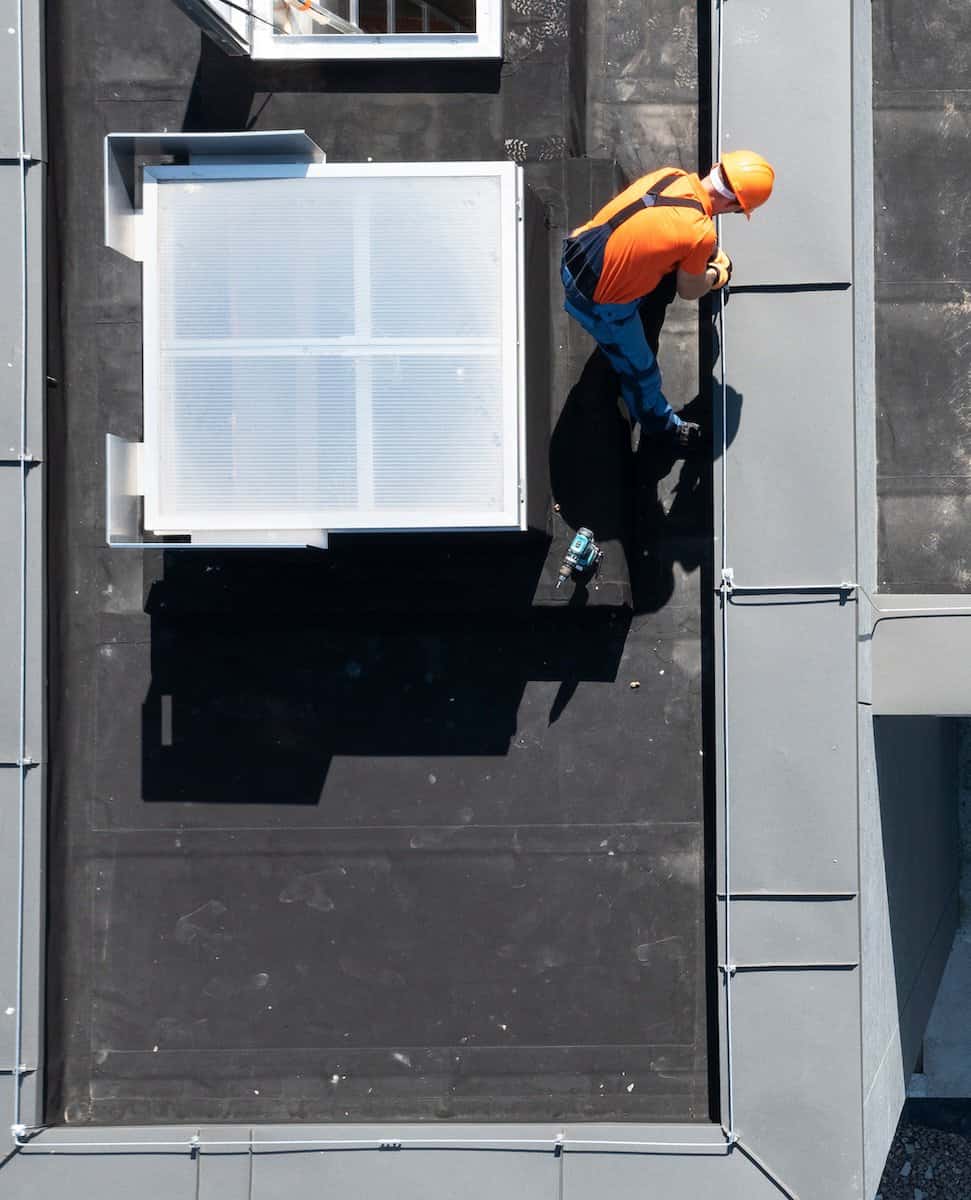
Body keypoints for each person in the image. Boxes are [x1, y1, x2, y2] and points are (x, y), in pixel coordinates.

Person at [561, 150, 775, 449]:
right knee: (641, 372)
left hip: (577, 253)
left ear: (716, 167)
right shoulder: (700, 234)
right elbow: (690, 290)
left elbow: (653, 228)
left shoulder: (670, 176)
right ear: (734, 205)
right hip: (597, 301)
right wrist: (715, 274)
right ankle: (661, 428)